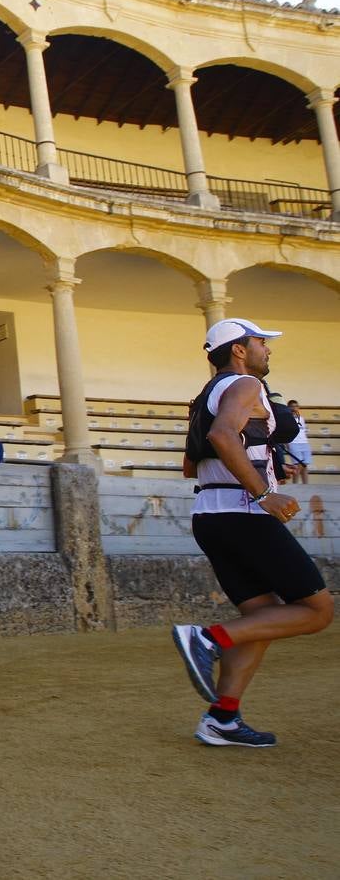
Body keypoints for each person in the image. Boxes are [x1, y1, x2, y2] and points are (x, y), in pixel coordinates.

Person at [172, 319, 332, 747]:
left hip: (210, 514)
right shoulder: (244, 385)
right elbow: (224, 436)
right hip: (244, 513)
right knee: (318, 611)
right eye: (261, 341)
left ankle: (222, 718)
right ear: (239, 350)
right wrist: (264, 494)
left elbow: (191, 465)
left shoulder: (206, 395)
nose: (267, 348)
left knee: (262, 617)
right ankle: (206, 638)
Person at [284, 399, 311, 484]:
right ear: (288, 408)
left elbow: (304, 431)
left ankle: (305, 485)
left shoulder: (301, 419)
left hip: (304, 443)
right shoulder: (286, 419)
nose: (294, 408)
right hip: (293, 443)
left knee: (305, 465)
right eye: (292, 406)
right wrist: (287, 444)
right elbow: (285, 433)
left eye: (296, 406)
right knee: (298, 465)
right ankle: (295, 485)